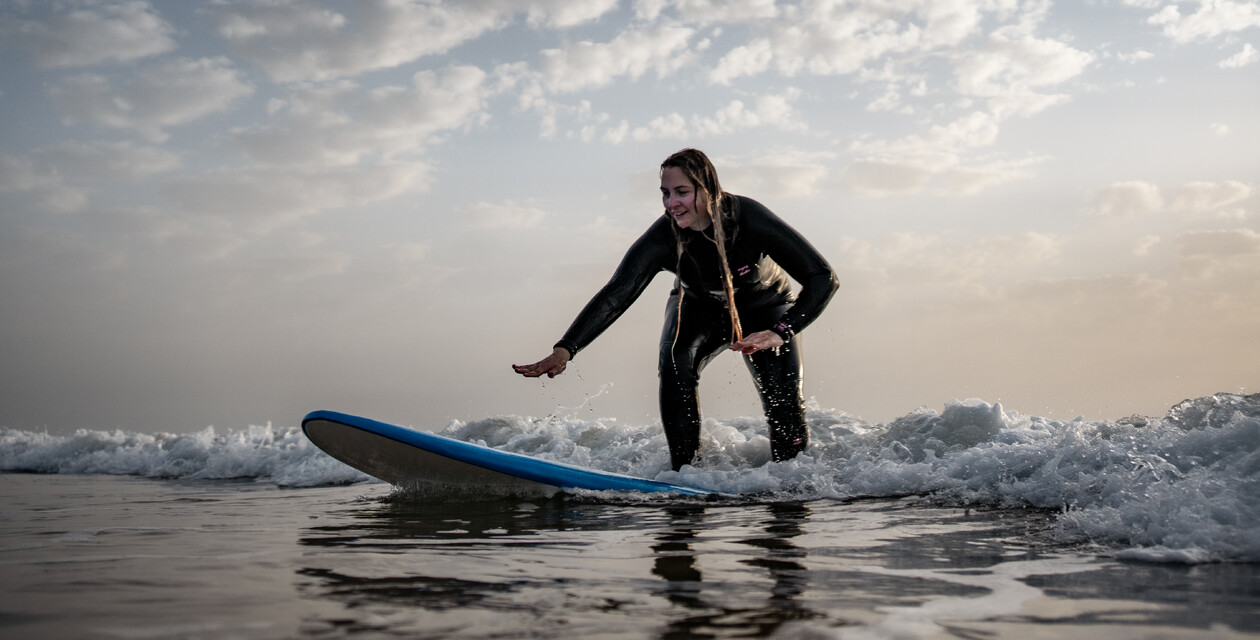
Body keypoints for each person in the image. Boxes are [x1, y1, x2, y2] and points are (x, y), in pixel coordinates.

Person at [513, 148, 838, 471]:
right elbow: (617, 292)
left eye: (681, 192)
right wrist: (566, 349)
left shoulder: (749, 219)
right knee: (674, 362)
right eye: (665, 194)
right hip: (698, 306)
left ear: (708, 189)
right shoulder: (664, 236)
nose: (671, 203)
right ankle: (685, 474)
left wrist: (781, 331)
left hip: (765, 305)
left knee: (783, 395)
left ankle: (793, 478)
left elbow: (823, 277)